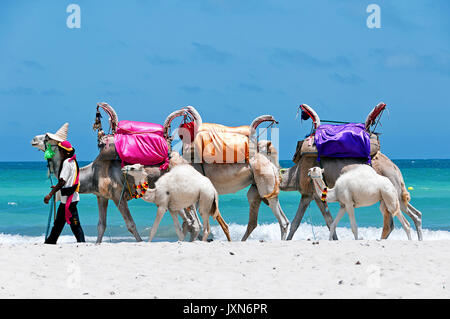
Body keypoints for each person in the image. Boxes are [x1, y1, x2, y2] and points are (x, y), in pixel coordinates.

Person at [44, 140, 85, 244]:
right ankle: (50, 241)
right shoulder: (73, 161)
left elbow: (62, 181)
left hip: (69, 200)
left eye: (60, 150)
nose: (58, 152)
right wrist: (57, 187)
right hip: (70, 198)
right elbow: (68, 181)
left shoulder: (67, 162)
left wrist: (50, 194)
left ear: (65, 152)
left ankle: (81, 243)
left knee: (75, 225)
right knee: (59, 223)